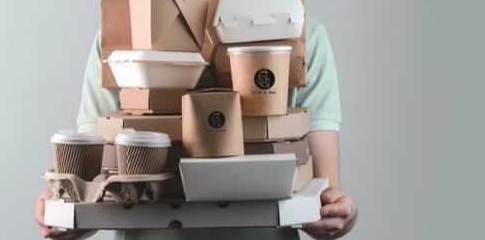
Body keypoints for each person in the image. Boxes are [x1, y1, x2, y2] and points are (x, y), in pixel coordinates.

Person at [36, 17, 358, 239]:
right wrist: (66, 214)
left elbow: (325, 197)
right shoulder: (119, 40)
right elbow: (95, 189)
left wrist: (340, 215)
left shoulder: (303, 37)